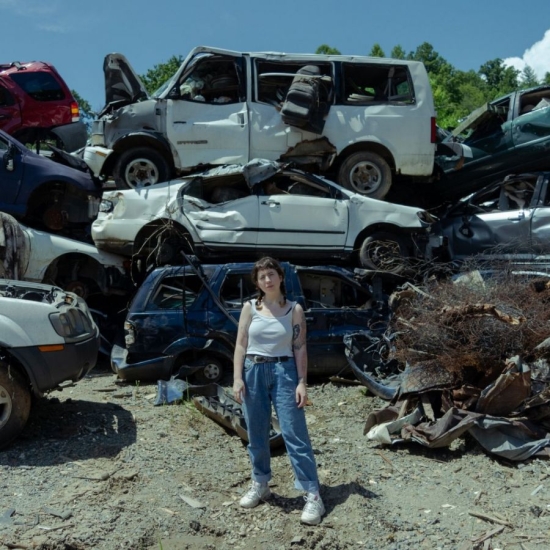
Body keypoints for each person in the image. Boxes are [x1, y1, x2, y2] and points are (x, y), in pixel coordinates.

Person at [233, 257, 325, 526]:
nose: (267, 280)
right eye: (262, 277)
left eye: (271, 274)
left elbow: (300, 347)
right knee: (256, 433)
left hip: (284, 372)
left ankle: (312, 494)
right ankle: (260, 483)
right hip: (253, 371)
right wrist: (237, 378)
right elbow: (240, 344)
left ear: (280, 277)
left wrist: (302, 382)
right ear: (257, 282)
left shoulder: (294, 309)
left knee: (295, 433)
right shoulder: (249, 308)